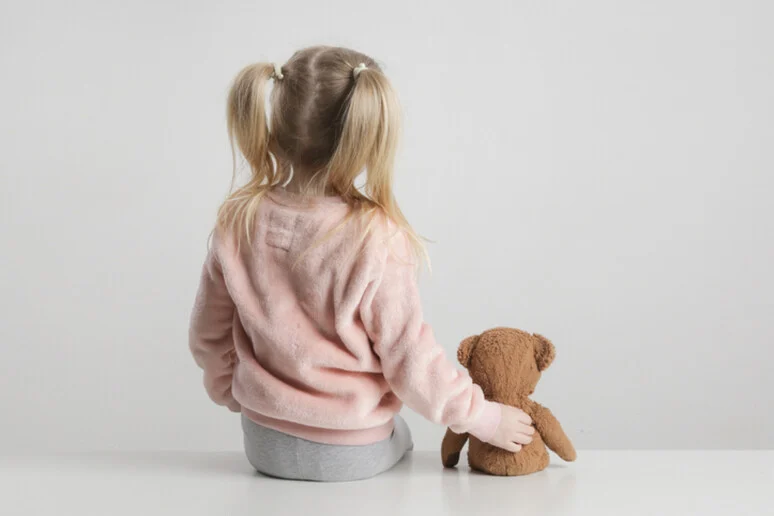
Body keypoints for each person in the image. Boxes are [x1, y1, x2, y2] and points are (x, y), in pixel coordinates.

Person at [189, 46, 534, 482]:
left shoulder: (239, 220)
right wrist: (484, 418)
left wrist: (232, 392)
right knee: (402, 435)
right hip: (353, 452)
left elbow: (207, 334)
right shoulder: (375, 234)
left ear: (276, 126)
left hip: (262, 444)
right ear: (364, 138)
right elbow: (410, 359)